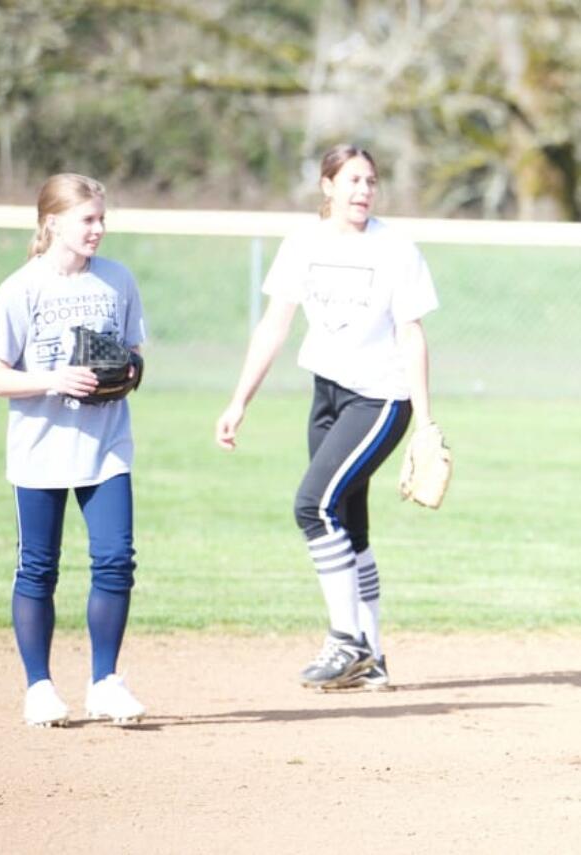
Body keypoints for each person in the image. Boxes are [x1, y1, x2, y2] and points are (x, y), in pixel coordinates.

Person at [215, 144, 440, 692]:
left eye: (371, 181)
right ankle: (374, 660)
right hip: (329, 396)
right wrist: (239, 399)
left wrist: (426, 421)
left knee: (312, 505)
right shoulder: (304, 244)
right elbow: (274, 325)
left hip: (382, 398)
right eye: (353, 180)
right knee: (347, 521)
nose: (364, 190)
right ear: (328, 186)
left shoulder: (395, 249)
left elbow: (411, 334)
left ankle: (347, 641)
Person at [0, 173, 148, 727]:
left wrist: (128, 371)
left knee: (116, 560)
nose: (99, 229)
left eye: (102, 218)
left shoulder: (117, 281)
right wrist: (54, 379)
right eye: (88, 219)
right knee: (38, 568)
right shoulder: (20, 289)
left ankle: (105, 682)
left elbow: (135, 356)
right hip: (40, 448)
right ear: (53, 222)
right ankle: (40, 687)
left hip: (106, 446)